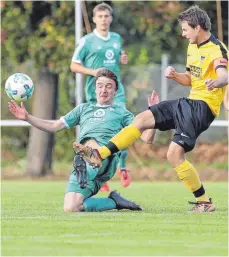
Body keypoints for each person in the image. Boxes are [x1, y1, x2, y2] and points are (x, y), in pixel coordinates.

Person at [72, 6, 228, 213]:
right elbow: (190, 79)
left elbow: (224, 75)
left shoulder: (217, 49)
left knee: (173, 155)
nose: (183, 34)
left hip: (202, 108)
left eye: (185, 30)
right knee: (143, 118)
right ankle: (100, 153)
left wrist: (217, 81)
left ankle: (204, 202)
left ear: (197, 27)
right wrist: (175, 76)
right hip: (188, 102)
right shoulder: (193, 47)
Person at [8, 69, 156, 212]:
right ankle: (114, 201)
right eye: (100, 86)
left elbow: (147, 138)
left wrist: (155, 112)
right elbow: (53, 126)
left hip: (106, 158)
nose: (103, 90)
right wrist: (27, 118)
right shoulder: (83, 109)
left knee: (91, 145)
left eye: (108, 86)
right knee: (71, 207)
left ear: (115, 91)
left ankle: (92, 156)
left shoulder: (122, 113)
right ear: (95, 89)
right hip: (84, 163)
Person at [70, 2, 130, 191]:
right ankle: (100, 170)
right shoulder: (87, 41)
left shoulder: (116, 38)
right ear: (95, 19)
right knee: (99, 134)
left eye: (106, 16)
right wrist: (93, 71)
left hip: (116, 92)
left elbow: (119, 57)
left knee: (124, 127)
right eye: (100, 17)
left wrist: (122, 59)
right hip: (95, 94)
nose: (103, 20)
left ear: (111, 19)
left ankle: (123, 168)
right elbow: (74, 65)